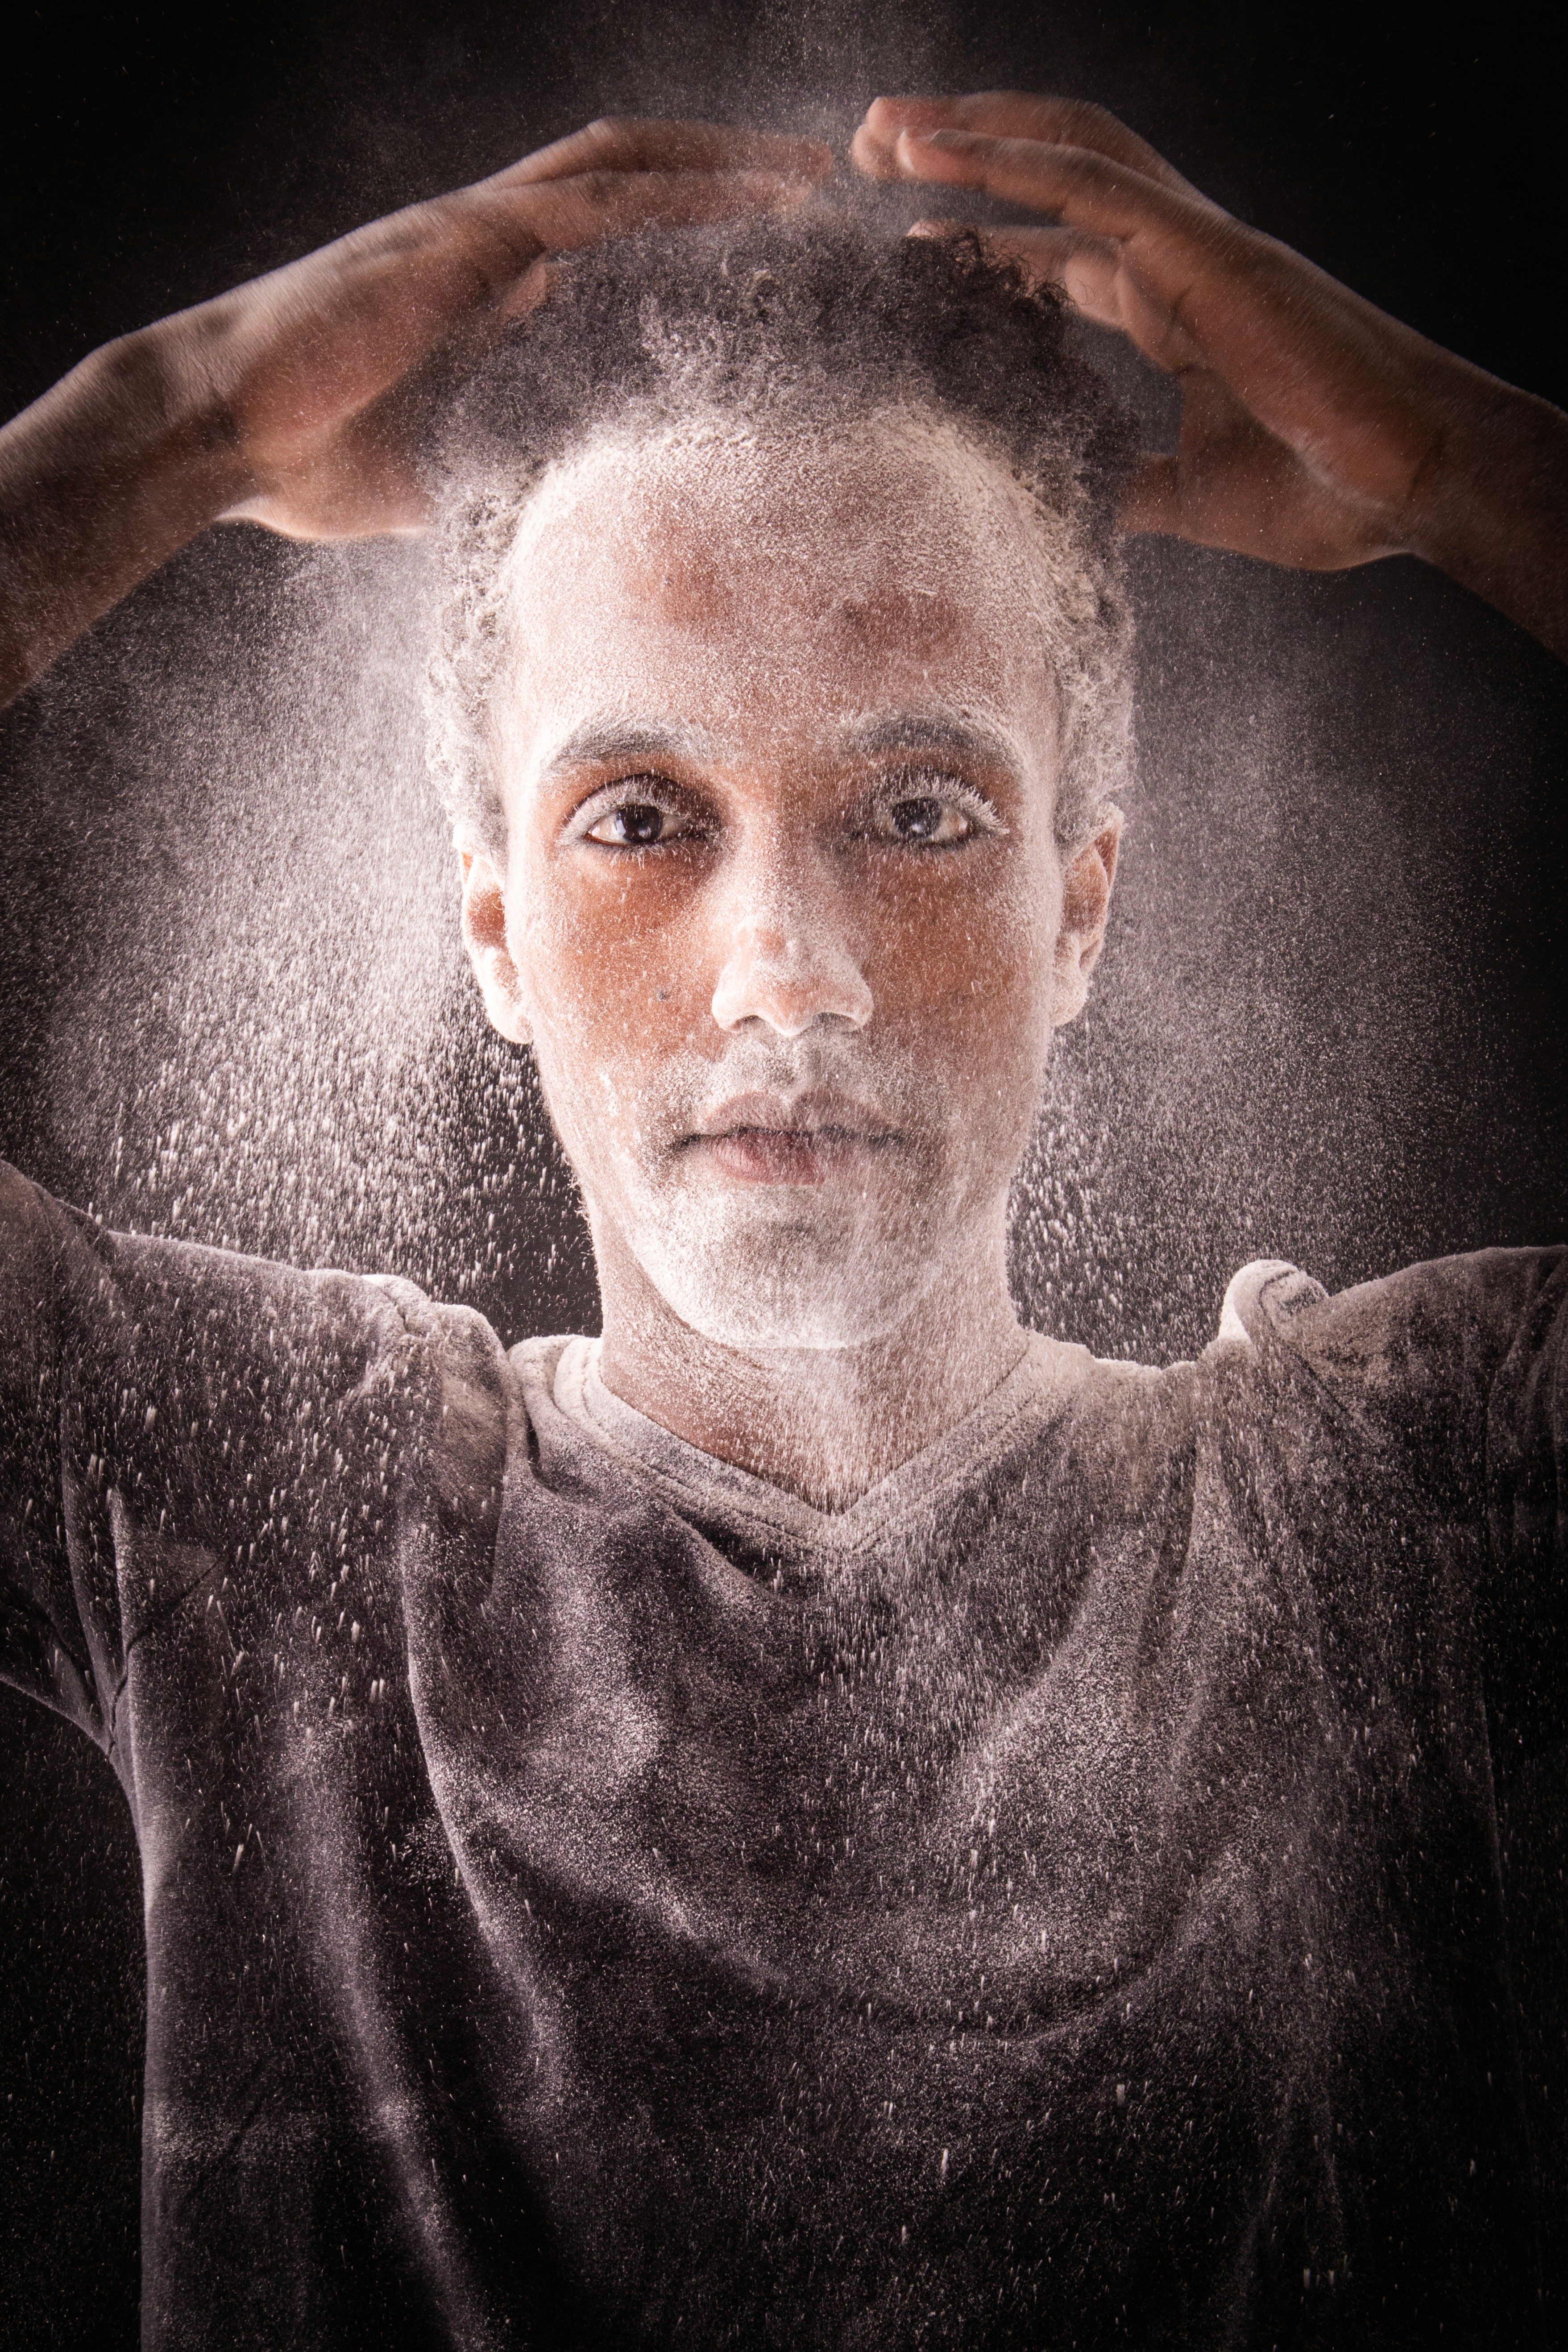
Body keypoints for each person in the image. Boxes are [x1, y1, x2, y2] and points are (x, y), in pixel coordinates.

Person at [0, 91, 1564, 2351]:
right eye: (641, 816)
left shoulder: (1380, 1526)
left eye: (920, 808)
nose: (789, 969)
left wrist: (1446, 462)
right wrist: (177, 412)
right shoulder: (266, 1506)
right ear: (496, 931)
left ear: (1080, 909)